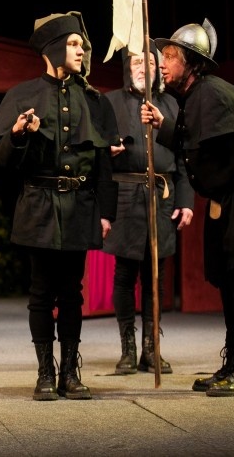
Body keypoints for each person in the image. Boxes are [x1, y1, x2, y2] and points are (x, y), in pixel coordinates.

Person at [141, 18, 234, 397]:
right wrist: (163, 124)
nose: (162, 64)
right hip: (224, 206)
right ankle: (233, 363)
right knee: (229, 284)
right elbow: (195, 140)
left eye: (170, 57)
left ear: (192, 63)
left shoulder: (215, 96)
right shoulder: (195, 98)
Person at [0, 12, 119, 400]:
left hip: (79, 204)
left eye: (82, 44)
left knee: (72, 293)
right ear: (52, 49)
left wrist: (106, 212)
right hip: (39, 205)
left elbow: (104, 163)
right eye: (74, 44)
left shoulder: (95, 101)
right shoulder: (21, 96)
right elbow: (2, 160)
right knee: (41, 292)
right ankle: (45, 372)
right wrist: (18, 134)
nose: (81, 50)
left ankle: (70, 373)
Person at [102, 42, 194, 375]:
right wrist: (106, 152)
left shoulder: (171, 104)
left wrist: (185, 201)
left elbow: (183, 157)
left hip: (162, 196)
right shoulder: (109, 103)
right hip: (125, 195)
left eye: (150, 63)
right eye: (137, 62)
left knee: (156, 277)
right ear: (128, 68)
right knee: (125, 274)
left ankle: (151, 349)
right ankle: (127, 349)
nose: (144, 68)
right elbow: (95, 153)